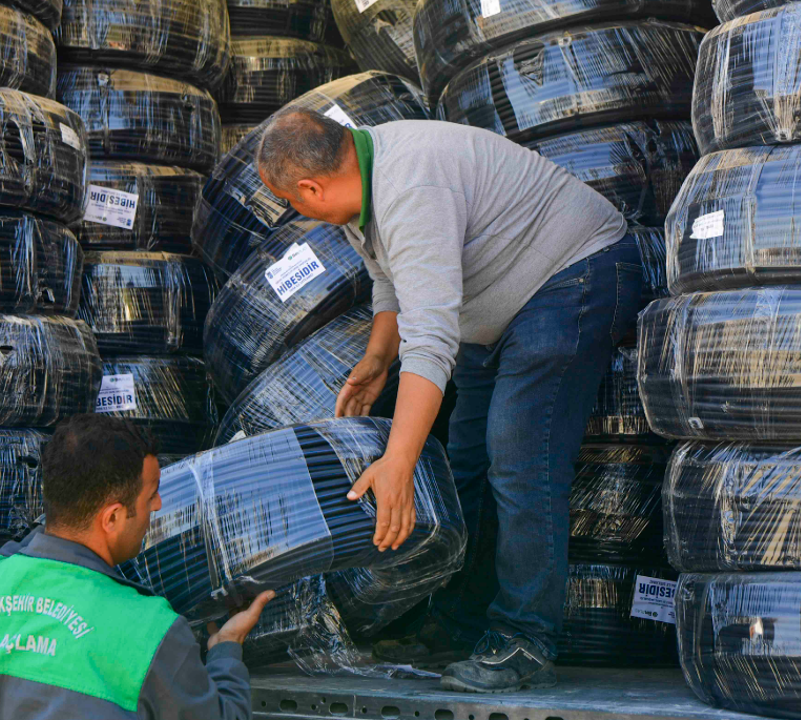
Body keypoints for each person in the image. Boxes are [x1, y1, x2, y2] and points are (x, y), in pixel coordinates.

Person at [256, 110, 642, 693]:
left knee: (518, 455)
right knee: (465, 459)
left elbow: (432, 340)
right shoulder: (364, 180)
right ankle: (460, 621)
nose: (298, 211)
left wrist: (398, 462)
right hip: (499, 305)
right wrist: (378, 359)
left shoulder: (410, 187)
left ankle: (524, 635)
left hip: (574, 272)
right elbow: (391, 280)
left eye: (292, 202)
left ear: (311, 188)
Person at [0, 413, 274, 719]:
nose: (158, 505)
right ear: (112, 517)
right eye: (151, 495)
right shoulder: (150, 632)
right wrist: (226, 649)